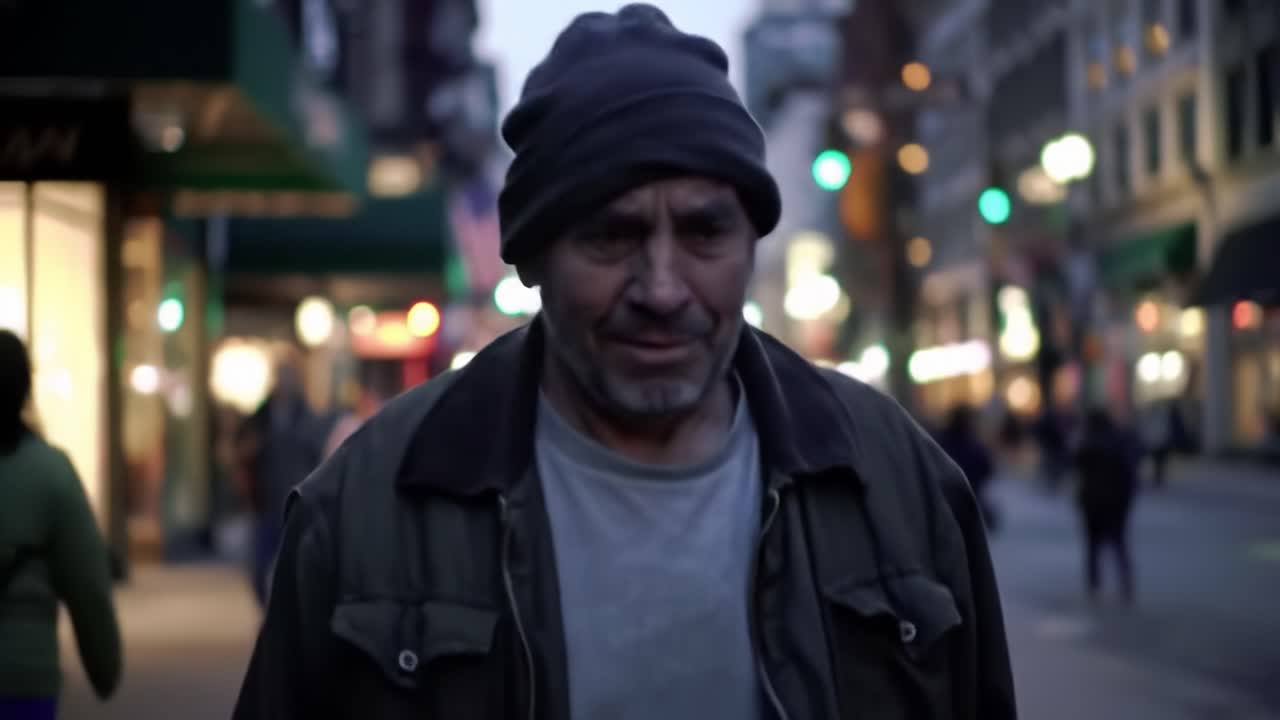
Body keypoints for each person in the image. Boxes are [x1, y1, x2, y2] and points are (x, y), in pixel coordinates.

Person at [232, 6, 1015, 719]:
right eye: (612, 236)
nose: (663, 288)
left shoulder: (902, 486)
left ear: (750, 245)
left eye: (705, 233)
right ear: (534, 257)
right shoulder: (364, 510)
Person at [0, 330, 121, 718]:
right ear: (24, 390)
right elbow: (87, 582)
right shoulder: (50, 473)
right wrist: (104, 666)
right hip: (23, 673)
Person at [233, 355, 325, 608]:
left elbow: (316, 456)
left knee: (296, 565)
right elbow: (241, 448)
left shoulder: (307, 418)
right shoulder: (260, 418)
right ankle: (270, 610)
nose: (284, 381)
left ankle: (288, 612)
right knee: (259, 566)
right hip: (266, 502)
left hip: (296, 503)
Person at [1073, 408, 1139, 604]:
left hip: (1093, 503)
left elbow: (1075, 463)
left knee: (1093, 544)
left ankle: (1094, 582)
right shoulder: (1119, 441)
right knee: (1119, 542)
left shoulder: (1088, 443)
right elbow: (1129, 474)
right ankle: (1125, 579)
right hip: (1115, 503)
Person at [937, 405, 999, 532]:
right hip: (968, 492)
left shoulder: (940, 442)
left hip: (948, 498)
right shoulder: (974, 445)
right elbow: (987, 468)